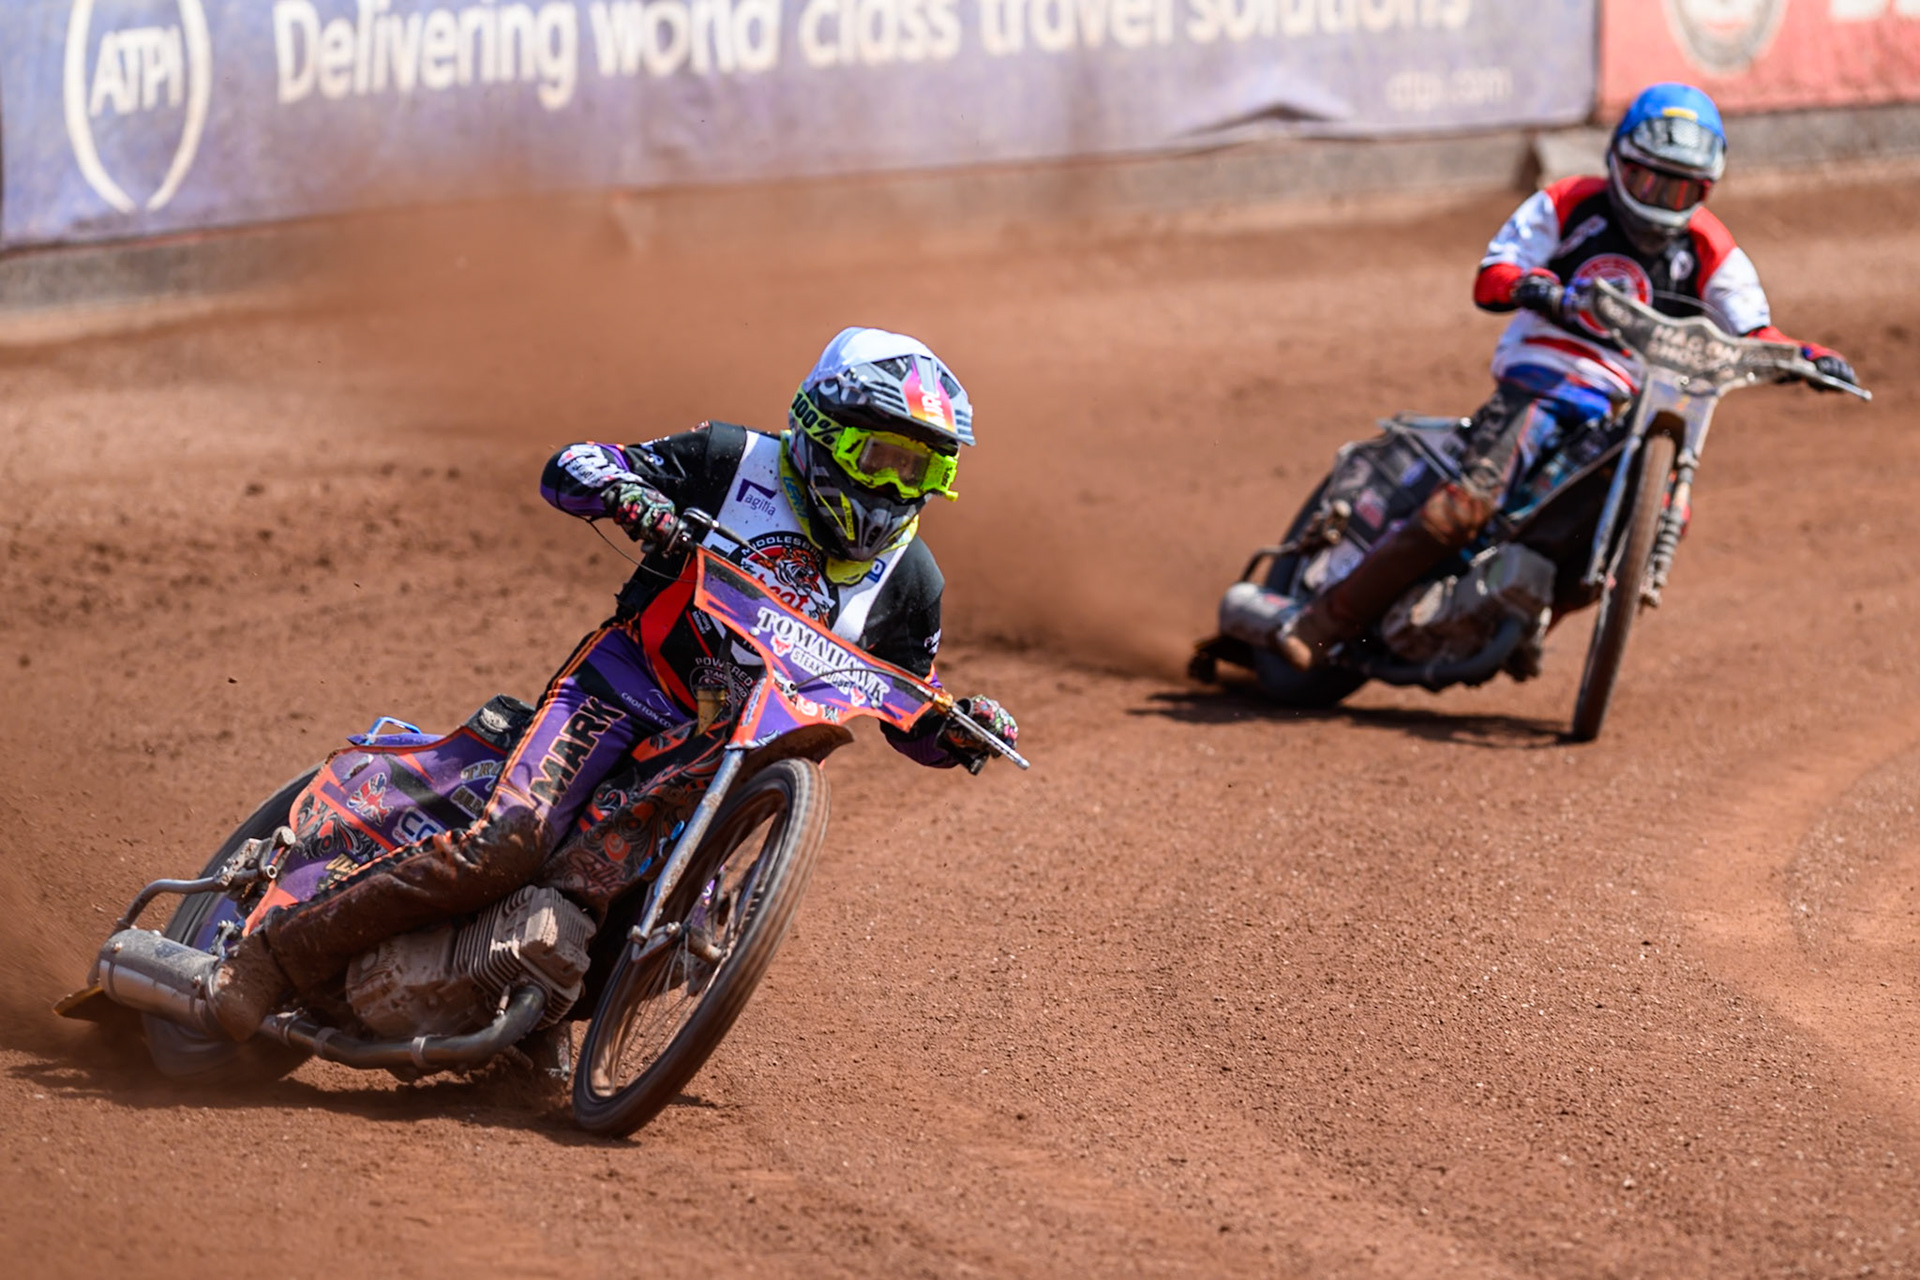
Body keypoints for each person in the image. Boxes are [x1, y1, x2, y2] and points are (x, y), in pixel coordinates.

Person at [206, 326, 1020, 1040]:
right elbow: (575, 464)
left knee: (657, 932)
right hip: (619, 691)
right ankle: (271, 959)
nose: (892, 487)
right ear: (820, 430)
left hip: (718, 760)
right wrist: (632, 496)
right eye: (879, 457)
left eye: (920, 469)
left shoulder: (912, 582)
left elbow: (908, 700)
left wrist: (960, 726)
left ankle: (529, 1026)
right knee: (503, 847)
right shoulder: (733, 462)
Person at [1277, 82, 1859, 672]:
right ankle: (1325, 622)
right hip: (1547, 374)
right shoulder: (1571, 202)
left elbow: (1755, 329)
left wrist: (1809, 356)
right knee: (1471, 502)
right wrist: (1535, 288)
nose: (1659, 198)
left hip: (1633, 405)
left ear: (1705, 189)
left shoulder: (1709, 246)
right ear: (1616, 161)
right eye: (1646, 179)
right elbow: (1495, 271)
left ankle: (1525, 619)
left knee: (1630, 527)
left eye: (1678, 187)